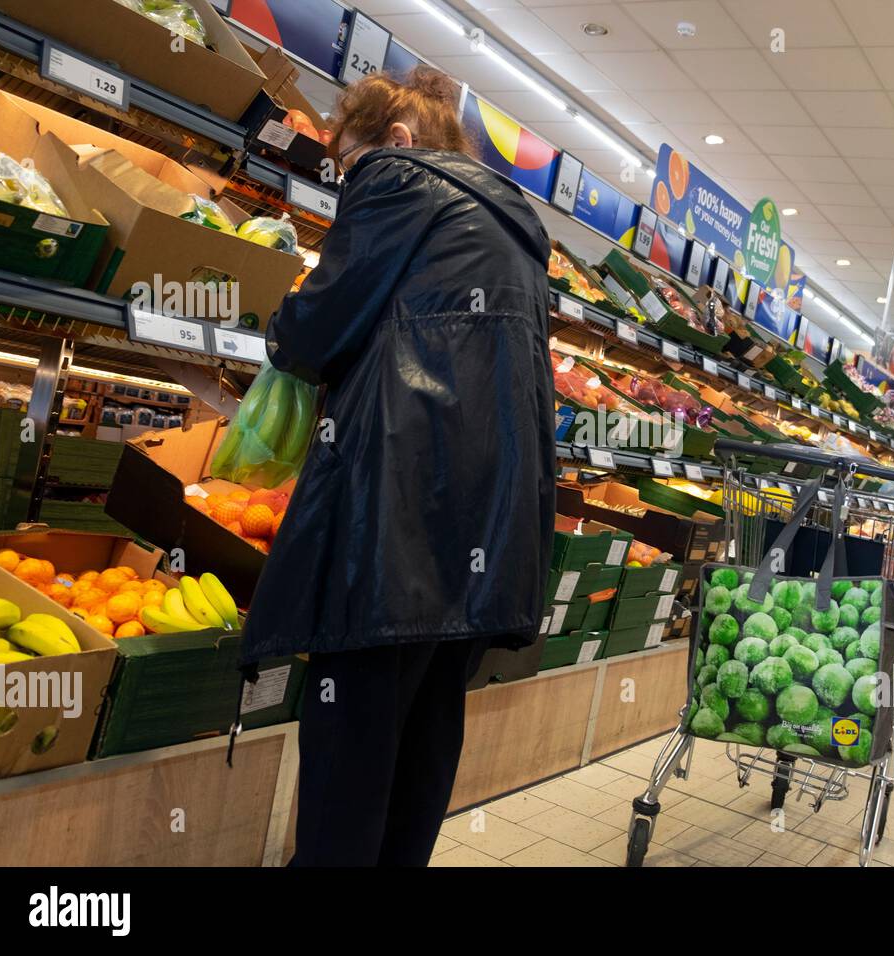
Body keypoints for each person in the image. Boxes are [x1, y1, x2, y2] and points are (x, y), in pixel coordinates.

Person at [238, 67, 555, 866]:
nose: (348, 182)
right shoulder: (512, 226)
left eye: (345, 165)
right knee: (422, 746)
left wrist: (276, 328)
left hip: (393, 529)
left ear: (398, 141)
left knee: (349, 761)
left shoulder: (396, 181)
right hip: (487, 539)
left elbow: (311, 335)